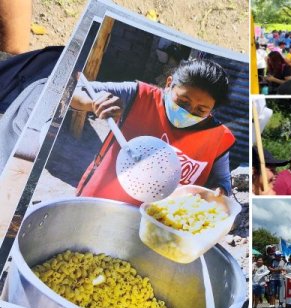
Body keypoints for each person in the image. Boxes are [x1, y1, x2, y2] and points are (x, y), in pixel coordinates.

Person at [71, 59, 234, 206]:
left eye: (201, 110)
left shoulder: (218, 137)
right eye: (183, 101)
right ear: (169, 83)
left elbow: (222, 182)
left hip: (157, 225)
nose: (189, 112)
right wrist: (93, 102)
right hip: (99, 201)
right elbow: (73, 91)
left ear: (212, 109)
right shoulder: (138, 95)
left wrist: (219, 192)